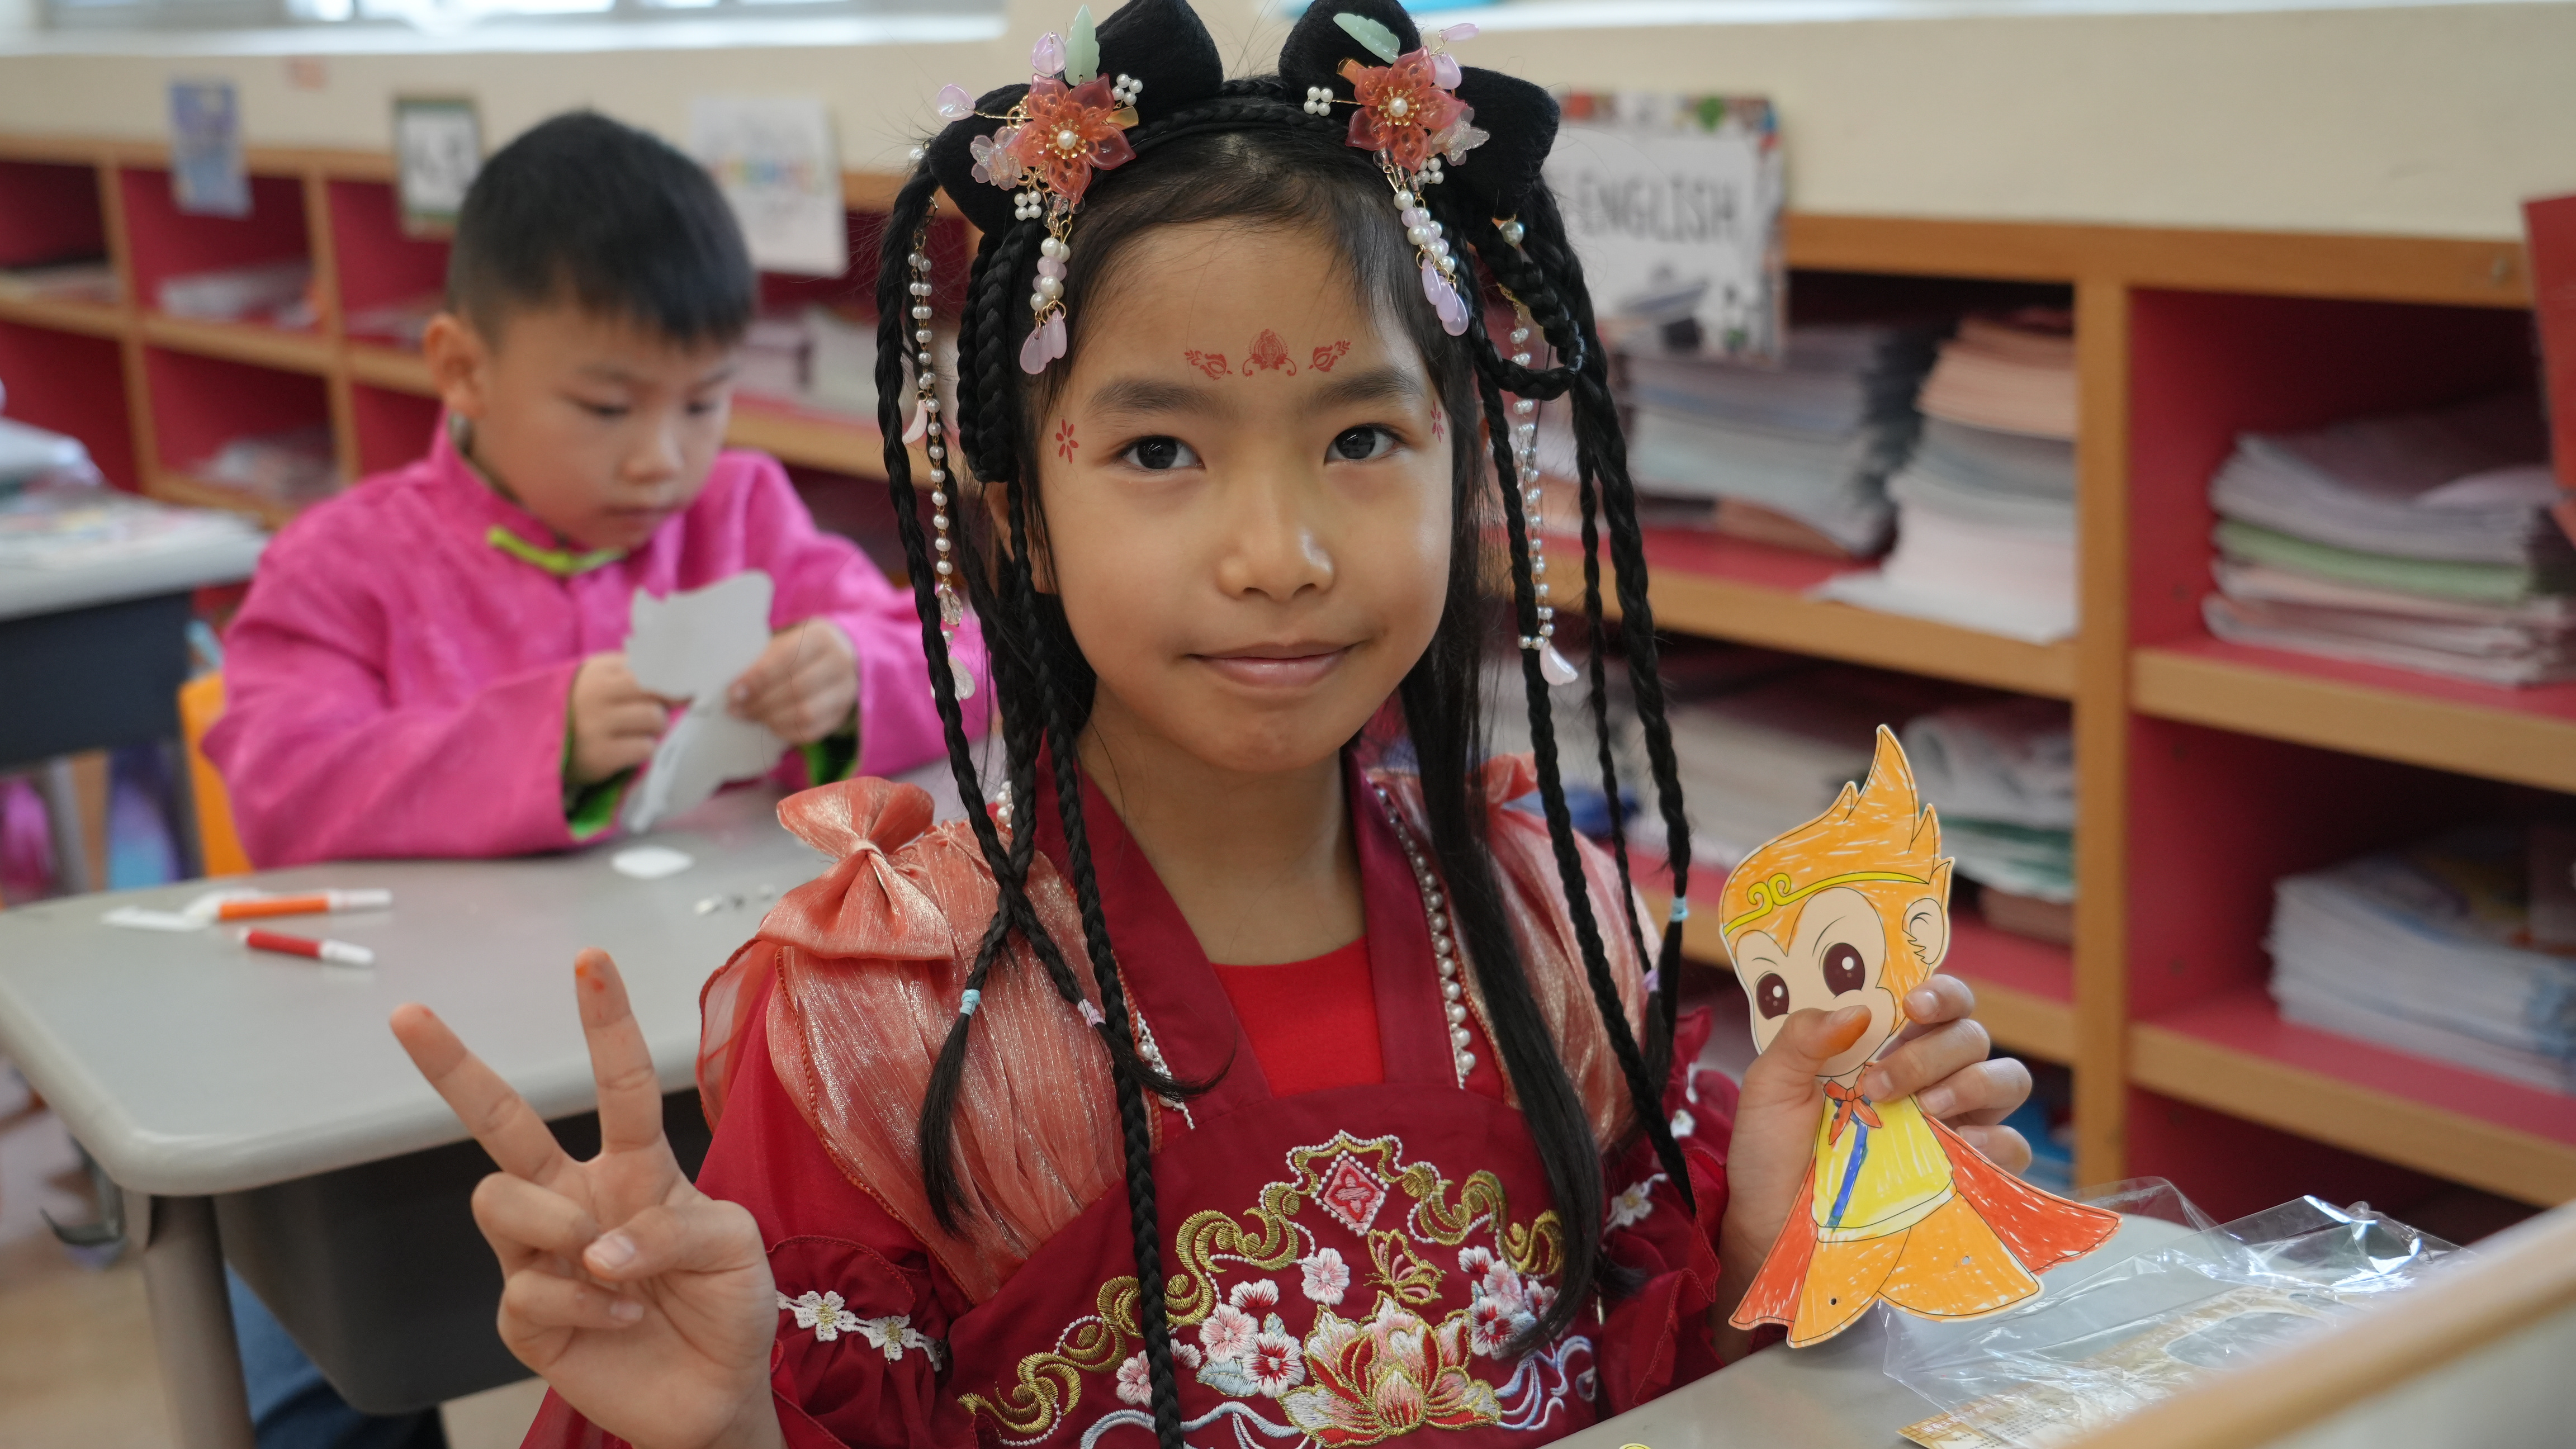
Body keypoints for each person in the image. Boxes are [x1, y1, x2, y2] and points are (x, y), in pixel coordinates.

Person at [391, 4, 2036, 1446]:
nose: (1279, 555)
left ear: (1467, 473)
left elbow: (1659, 1387)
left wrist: (1770, 1242)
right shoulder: (876, 1024)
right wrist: (727, 1425)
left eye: (1362, 440)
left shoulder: (1563, 936)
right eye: (1161, 454)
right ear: (1023, 521)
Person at [206, 111, 978, 868]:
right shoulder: (338, 565)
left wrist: (854, 674)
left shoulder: (740, 514)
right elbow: (279, 792)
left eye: (703, 403)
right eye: (608, 408)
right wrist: (541, 743)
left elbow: (975, 664)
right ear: (465, 371)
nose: (660, 461)